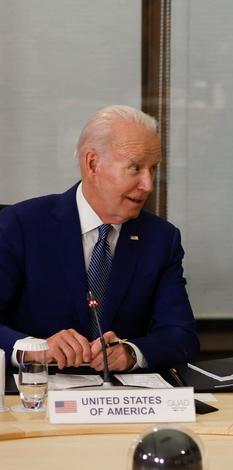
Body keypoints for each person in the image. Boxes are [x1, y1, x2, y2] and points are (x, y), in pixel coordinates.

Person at [0, 105, 199, 372]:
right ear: (92, 163)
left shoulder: (161, 239)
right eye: (135, 168)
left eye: (153, 169)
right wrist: (35, 349)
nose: (148, 185)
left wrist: (131, 353)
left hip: (122, 402)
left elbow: (181, 336)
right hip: (35, 397)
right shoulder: (21, 225)